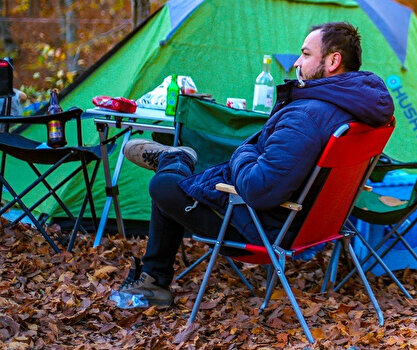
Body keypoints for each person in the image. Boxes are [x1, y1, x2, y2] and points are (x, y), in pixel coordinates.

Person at [113, 22, 395, 307]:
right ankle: (153, 278)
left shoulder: (306, 116)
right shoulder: (358, 112)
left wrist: (242, 152)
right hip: (312, 224)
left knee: (163, 186)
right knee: (182, 182)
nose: (297, 62)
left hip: (266, 228)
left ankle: (175, 161)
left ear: (333, 61)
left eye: (306, 54)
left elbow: (259, 190)